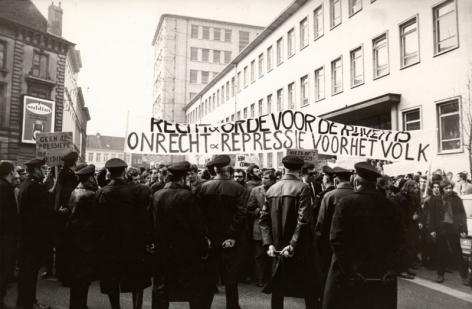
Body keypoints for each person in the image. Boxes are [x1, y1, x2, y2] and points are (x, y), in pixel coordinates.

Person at [322, 162, 398, 309]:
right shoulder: (390, 205)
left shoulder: (346, 203)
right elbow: (398, 240)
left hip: (350, 273)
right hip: (379, 272)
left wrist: (349, 270)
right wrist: (391, 268)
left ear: (356, 180)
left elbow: (336, 239)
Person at [259, 155, 321, 309]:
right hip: (299, 248)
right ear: (300, 169)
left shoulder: (272, 188)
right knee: (309, 288)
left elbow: (263, 220)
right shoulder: (303, 188)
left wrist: (269, 244)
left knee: (278, 288)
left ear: (284, 168)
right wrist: (293, 244)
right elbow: (304, 220)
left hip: (277, 247)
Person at [151, 161, 209, 309]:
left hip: (162, 248)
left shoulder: (157, 195)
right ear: (183, 178)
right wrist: (203, 247)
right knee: (192, 287)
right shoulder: (187, 196)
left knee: (161, 287)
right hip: (185, 249)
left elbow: (150, 221)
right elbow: (196, 225)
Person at [95, 158, 152, 309]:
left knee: (112, 280)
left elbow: (98, 223)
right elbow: (145, 218)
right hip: (134, 243)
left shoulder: (101, 193)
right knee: (137, 279)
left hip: (110, 245)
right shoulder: (140, 190)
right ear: (125, 171)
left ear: (108, 173)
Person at [197, 155, 247, 309]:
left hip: (210, 239)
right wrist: (232, 236)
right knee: (231, 280)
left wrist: (205, 236)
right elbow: (240, 215)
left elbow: (199, 216)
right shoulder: (238, 188)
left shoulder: (204, 187)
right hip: (229, 240)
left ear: (214, 169)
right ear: (228, 167)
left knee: (208, 278)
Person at [17, 158, 53, 309]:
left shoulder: (26, 184)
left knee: (27, 273)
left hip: (26, 236)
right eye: (43, 168)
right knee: (30, 273)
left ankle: (26, 302)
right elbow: (43, 214)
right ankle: (28, 303)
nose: (44, 171)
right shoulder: (35, 187)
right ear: (36, 170)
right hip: (34, 238)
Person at [63, 164, 98, 309]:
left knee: (77, 274)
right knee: (83, 275)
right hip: (86, 240)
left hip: (74, 238)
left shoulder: (75, 191)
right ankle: (80, 305)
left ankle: (76, 304)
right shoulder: (90, 194)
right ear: (90, 177)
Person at [315, 166, 354, 291]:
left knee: (329, 279)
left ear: (336, 180)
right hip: (353, 245)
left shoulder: (329, 196)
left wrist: (318, 245)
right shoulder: (357, 196)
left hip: (330, 245)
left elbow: (321, 225)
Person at [426, 180, 468, 284]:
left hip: (453, 229)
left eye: (450, 188)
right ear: (442, 189)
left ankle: (464, 277)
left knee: (457, 252)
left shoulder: (457, 199)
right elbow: (431, 216)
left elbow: (462, 215)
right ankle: (440, 275)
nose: (449, 190)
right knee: (441, 253)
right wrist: (432, 229)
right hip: (441, 229)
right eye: (446, 188)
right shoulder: (435, 200)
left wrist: (463, 229)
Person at [54, 151, 80, 282]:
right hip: (66, 213)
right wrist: (68, 207)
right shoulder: (70, 175)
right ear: (74, 161)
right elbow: (68, 194)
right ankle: (65, 275)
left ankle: (60, 272)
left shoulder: (62, 173)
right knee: (67, 245)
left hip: (61, 212)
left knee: (61, 245)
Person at [247, 170, 276, 287]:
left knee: (272, 254)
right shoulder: (256, 190)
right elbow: (249, 207)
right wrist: (259, 212)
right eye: (263, 177)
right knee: (259, 255)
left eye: (267, 178)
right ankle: (260, 278)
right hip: (259, 226)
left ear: (273, 180)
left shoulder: (277, 189)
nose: (263, 180)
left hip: (274, 226)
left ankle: (271, 278)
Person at [391, 180, 421, 279]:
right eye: (414, 188)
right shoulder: (401, 198)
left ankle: (405, 268)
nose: (416, 190)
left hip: (409, 226)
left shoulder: (410, 197)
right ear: (409, 187)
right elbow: (400, 215)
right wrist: (411, 218)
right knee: (402, 248)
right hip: (402, 227)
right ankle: (401, 270)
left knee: (408, 248)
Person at [0, 161, 20, 309]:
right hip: (6, 235)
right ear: (10, 172)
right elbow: (9, 215)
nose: (16, 173)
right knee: (4, 268)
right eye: (14, 170)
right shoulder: (6, 188)